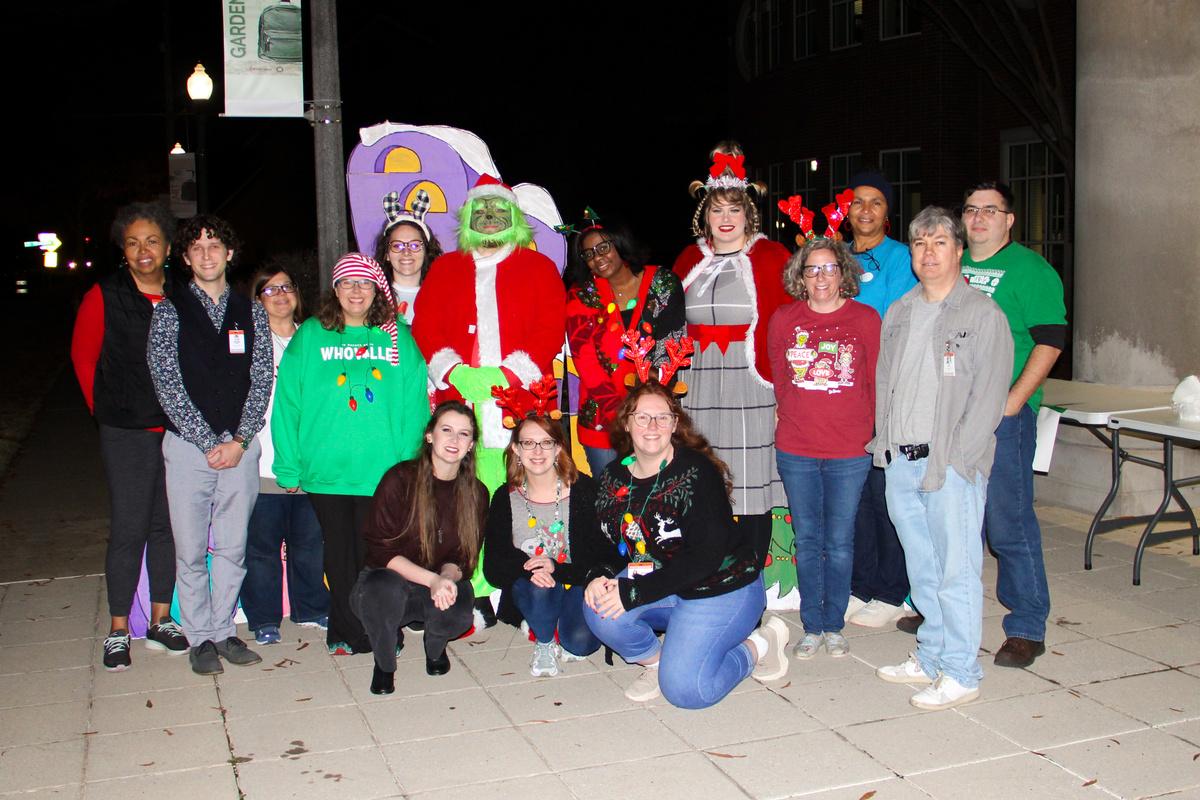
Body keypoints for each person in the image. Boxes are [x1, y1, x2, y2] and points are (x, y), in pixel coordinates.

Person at [871, 206, 1011, 710]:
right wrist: (884, 444)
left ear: (958, 251)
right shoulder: (901, 311)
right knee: (923, 567)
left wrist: (960, 460)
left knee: (956, 571)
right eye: (919, 243)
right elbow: (886, 381)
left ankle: (961, 671)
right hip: (901, 459)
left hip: (949, 464)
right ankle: (932, 654)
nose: (928, 253)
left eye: (939, 243)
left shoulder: (981, 314)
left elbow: (990, 398)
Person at [413, 174, 567, 623]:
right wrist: (454, 371)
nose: (489, 218)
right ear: (467, 219)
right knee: (465, 502)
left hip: (519, 404)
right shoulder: (445, 269)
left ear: (514, 218)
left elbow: (549, 327)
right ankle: (474, 590)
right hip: (461, 405)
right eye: (480, 211)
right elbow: (426, 325)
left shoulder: (538, 268)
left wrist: (507, 374)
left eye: (498, 211)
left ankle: (524, 591)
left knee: (525, 497)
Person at [583, 381, 791, 709]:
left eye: (662, 418)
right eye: (642, 417)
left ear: (674, 424)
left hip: (721, 586)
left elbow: (704, 557)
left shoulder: (696, 472)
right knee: (599, 606)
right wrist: (600, 573)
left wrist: (633, 593)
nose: (652, 426)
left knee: (687, 692)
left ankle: (760, 644)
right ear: (627, 423)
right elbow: (604, 539)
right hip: (663, 581)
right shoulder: (612, 477)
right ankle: (656, 664)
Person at [272, 253, 431, 656]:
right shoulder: (311, 335)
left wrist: (410, 466)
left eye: (364, 283)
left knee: (378, 558)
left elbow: (415, 406)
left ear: (377, 290)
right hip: (327, 471)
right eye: (347, 283)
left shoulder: (396, 336)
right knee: (340, 557)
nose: (356, 291)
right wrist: (287, 465)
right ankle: (344, 631)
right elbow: (288, 404)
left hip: (382, 473)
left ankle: (384, 628)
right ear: (335, 290)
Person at [147, 214, 272, 675]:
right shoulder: (169, 311)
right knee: (191, 550)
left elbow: (262, 378)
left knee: (233, 547)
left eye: (214, 245)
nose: (206, 254)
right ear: (185, 257)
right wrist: (205, 441)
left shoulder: (251, 311)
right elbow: (167, 384)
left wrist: (239, 440)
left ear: (229, 253)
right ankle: (199, 636)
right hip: (187, 449)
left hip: (239, 448)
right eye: (196, 248)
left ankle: (223, 630)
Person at [71, 202, 186, 671]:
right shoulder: (105, 295)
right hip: (126, 429)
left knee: (166, 525)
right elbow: (84, 357)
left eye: (152, 241)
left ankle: (161, 619)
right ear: (123, 249)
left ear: (168, 248)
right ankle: (118, 628)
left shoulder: (182, 294)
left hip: (176, 430)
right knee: (128, 526)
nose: (143, 251)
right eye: (134, 242)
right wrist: (105, 411)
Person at [957, 180, 1067, 668]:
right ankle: (943, 610)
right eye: (971, 210)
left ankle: (1026, 624)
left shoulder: (1031, 270)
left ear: (1009, 219)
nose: (979, 218)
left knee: (1008, 522)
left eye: (990, 210)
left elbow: (1050, 340)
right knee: (952, 518)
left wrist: (1015, 400)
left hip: (1003, 416)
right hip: (952, 414)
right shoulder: (952, 263)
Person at [672, 141, 791, 567]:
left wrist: (785, 395)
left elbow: (787, 328)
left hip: (750, 379)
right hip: (698, 380)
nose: (725, 218)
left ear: (748, 214)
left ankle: (751, 569)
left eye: (734, 209)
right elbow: (666, 319)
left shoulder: (772, 257)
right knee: (703, 472)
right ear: (705, 215)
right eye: (717, 210)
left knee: (750, 476)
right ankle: (707, 565)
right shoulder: (690, 258)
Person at [768, 237, 879, 659]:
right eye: (812, 269)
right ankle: (812, 625)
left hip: (850, 450)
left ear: (843, 273)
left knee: (840, 539)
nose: (821, 277)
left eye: (830, 268)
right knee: (808, 538)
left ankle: (834, 624)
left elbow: (874, 381)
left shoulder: (865, 319)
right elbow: (781, 380)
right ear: (800, 276)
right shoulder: (784, 319)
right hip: (797, 447)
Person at [352, 402, 488, 693]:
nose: (454, 440)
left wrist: (446, 579)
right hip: (388, 579)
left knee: (458, 608)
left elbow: (464, 559)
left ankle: (435, 648)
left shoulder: (476, 492)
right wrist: (432, 579)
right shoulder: (400, 479)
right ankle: (384, 663)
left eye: (464, 434)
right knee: (381, 591)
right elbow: (380, 550)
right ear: (429, 435)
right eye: (446, 430)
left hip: (436, 582)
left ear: (471, 445)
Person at [483, 413, 622, 677]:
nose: (537, 451)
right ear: (516, 449)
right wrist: (530, 567)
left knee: (580, 644)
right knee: (540, 586)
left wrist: (556, 568)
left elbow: (606, 556)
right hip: (534, 588)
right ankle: (544, 641)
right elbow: (493, 567)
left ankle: (554, 622)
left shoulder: (585, 491)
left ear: (558, 448)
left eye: (546, 443)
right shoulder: (505, 497)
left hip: (578, 580)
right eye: (528, 443)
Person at [842, 170, 919, 630]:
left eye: (876, 202)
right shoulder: (836, 256)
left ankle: (893, 590)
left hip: (883, 391)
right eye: (858, 202)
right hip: (843, 395)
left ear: (888, 211)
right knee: (857, 494)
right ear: (846, 210)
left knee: (886, 492)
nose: (865, 210)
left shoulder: (900, 258)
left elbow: (893, 323)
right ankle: (861, 584)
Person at [239, 267, 330, 646]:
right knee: (261, 548)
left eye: (287, 286)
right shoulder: (246, 342)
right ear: (256, 299)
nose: (280, 295)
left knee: (309, 544)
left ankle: (311, 607)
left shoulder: (315, 338)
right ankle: (263, 617)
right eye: (269, 289)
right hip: (262, 463)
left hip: (311, 463)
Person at [566, 218, 685, 476]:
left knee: (655, 493)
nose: (598, 258)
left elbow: (671, 346)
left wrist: (644, 411)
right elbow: (585, 360)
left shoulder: (663, 283)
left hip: (653, 418)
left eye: (603, 248)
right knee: (611, 494)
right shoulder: (582, 295)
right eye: (588, 254)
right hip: (602, 422)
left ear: (620, 243)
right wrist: (620, 416)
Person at [373, 189, 443, 324]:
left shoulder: (443, 298)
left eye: (415, 245)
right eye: (397, 246)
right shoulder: (372, 299)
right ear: (387, 254)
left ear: (426, 251)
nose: (406, 252)